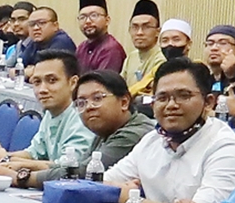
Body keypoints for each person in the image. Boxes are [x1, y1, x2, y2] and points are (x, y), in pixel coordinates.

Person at [106, 59, 235, 203]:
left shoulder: (227, 149)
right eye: (162, 98)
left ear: (209, 102)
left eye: (184, 96)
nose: (171, 105)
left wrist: (132, 201)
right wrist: (118, 193)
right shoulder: (151, 141)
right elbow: (102, 184)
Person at [15, 71, 155, 189]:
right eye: (81, 103)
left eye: (97, 98)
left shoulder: (135, 132)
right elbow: (78, 167)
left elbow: (84, 173)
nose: (89, 107)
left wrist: (22, 177)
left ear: (124, 102)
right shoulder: (105, 129)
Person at [0, 52, 94, 180]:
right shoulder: (51, 112)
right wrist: (3, 155)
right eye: (37, 82)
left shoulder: (83, 117)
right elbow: (33, 153)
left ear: (73, 83)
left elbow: (67, 168)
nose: (42, 89)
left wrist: (6, 159)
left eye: (52, 80)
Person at [124, 0, 165, 99]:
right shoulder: (131, 57)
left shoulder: (161, 60)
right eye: (135, 27)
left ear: (157, 32)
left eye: (146, 27)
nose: (139, 32)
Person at [75, 0, 125, 74]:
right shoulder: (81, 47)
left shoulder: (111, 49)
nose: (88, 21)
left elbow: (101, 84)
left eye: (94, 15)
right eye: (82, 17)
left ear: (107, 20)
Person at [204, 25, 235, 102]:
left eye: (223, 43)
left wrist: (232, 76)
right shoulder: (207, 78)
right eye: (210, 43)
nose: (214, 48)